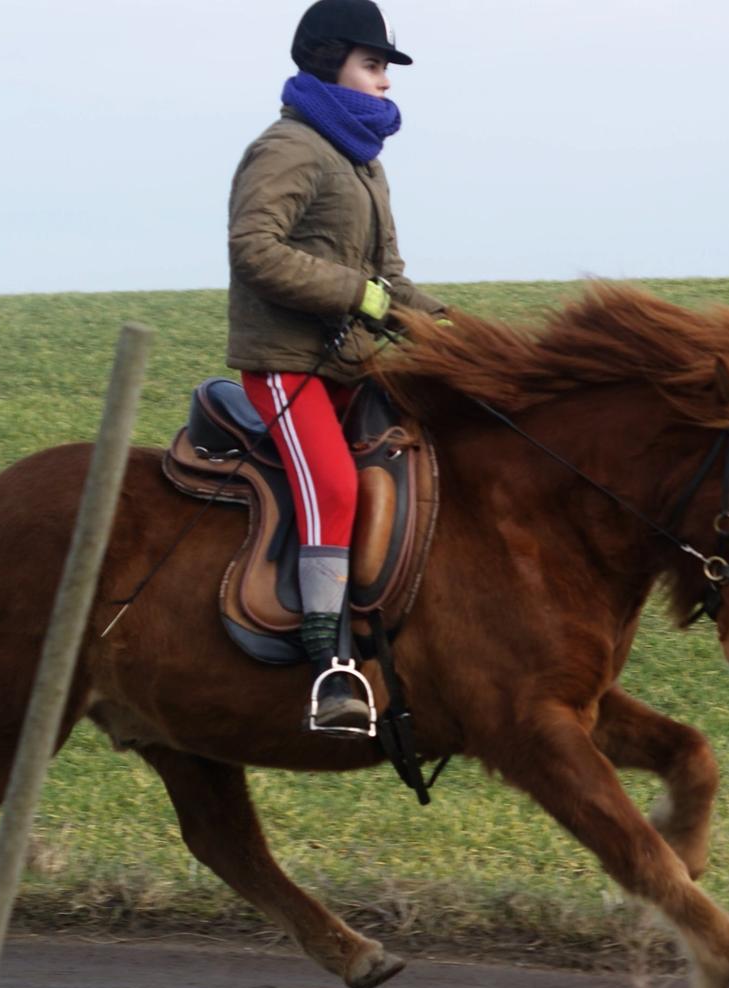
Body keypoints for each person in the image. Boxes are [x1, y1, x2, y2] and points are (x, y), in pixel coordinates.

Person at [226, 0, 445, 733]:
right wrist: (361, 296)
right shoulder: (288, 147)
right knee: (335, 485)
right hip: (286, 367)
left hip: (347, 367)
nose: (385, 82)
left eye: (385, 69)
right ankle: (331, 666)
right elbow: (254, 250)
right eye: (373, 65)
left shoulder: (362, 162)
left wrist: (452, 332)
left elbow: (390, 277)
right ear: (331, 64)